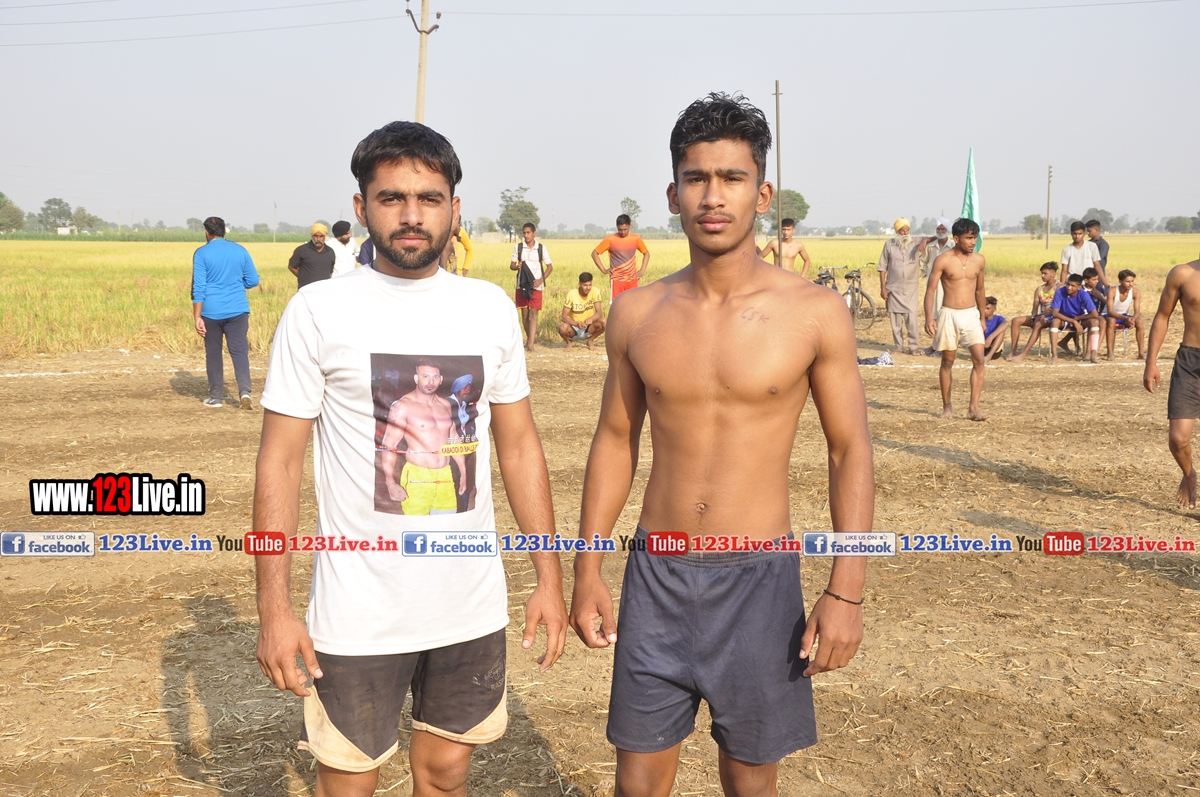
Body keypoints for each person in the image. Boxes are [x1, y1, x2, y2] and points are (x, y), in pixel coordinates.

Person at [568, 93, 873, 797]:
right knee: (637, 781)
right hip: (657, 570)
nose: (713, 196)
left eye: (732, 178)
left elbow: (849, 449)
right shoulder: (637, 312)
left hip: (759, 576)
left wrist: (846, 590)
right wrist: (589, 568)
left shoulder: (813, 312)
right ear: (672, 194)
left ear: (761, 193)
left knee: (750, 779)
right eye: (697, 178)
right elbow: (615, 439)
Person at [254, 121, 567, 797]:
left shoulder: (488, 309)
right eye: (392, 197)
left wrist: (548, 575)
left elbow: (519, 444)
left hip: (469, 604)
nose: (412, 215)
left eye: (429, 198)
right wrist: (275, 610)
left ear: (455, 208)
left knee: (447, 772)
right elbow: (278, 463)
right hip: (359, 610)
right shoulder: (318, 311)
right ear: (362, 205)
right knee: (349, 779)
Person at [380, 359, 468, 515]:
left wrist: (463, 471)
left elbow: (453, 437)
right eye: (425, 376)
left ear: (441, 379)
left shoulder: (445, 405)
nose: (430, 382)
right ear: (416, 378)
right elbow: (389, 445)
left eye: (435, 377)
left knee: (446, 524)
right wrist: (390, 482)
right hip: (417, 476)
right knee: (416, 526)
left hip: (445, 475)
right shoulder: (402, 406)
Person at [1145, 258, 1200, 508]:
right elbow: (1162, 316)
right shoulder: (1182, 274)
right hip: (1190, 361)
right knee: (1178, 439)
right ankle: (1189, 474)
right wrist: (1151, 361)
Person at [191, 216, 260, 409]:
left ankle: (216, 397)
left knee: (213, 353)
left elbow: (199, 287)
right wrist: (237, 284)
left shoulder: (201, 253)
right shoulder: (240, 250)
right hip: (238, 309)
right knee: (239, 352)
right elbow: (253, 280)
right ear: (224, 231)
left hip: (210, 312)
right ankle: (245, 392)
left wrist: (197, 316)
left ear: (207, 232)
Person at [924, 218, 988, 421]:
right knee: (947, 361)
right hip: (948, 314)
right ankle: (947, 407)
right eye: (969, 238)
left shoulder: (979, 260)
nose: (972, 242)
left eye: (974, 238)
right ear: (957, 238)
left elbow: (980, 290)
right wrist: (929, 318)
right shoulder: (943, 260)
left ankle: (973, 408)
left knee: (979, 359)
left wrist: (982, 317)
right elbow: (930, 290)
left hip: (971, 315)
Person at [878, 218, 935, 355]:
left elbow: (937, 237)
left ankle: (913, 347)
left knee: (912, 319)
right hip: (893, 288)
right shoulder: (889, 244)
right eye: (902, 231)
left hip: (911, 289)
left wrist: (925, 241)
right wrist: (883, 288)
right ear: (897, 231)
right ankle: (898, 347)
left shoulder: (916, 241)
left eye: (907, 230)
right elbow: (882, 267)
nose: (905, 233)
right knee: (895, 321)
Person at [509, 223, 553, 351]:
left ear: (534, 233)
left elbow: (550, 267)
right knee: (524, 314)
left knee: (533, 313)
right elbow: (511, 265)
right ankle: (529, 339)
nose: (526, 235)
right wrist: (516, 266)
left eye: (528, 233)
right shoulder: (518, 248)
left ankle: (531, 344)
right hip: (522, 285)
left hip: (536, 286)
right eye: (524, 233)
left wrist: (540, 280)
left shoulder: (541, 248)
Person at [917, 218, 957, 356]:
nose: (940, 231)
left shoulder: (953, 246)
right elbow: (922, 261)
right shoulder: (930, 246)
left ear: (948, 230)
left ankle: (943, 347)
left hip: (948, 285)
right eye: (938, 229)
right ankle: (935, 345)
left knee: (946, 315)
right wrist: (926, 273)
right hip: (933, 285)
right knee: (934, 315)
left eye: (943, 229)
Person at [1007, 262, 1060, 362]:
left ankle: (1023, 354)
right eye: (1042, 273)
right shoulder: (1039, 289)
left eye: (1045, 273)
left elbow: (1061, 307)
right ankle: (1013, 351)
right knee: (1015, 320)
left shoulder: (1059, 287)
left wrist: (1045, 315)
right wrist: (1034, 315)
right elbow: (1035, 307)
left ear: (1053, 274)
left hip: (1053, 316)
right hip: (1041, 315)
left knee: (1038, 324)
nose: (1042, 276)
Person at [592, 214, 650, 300]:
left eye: (625, 229)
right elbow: (594, 253)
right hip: (616, 280)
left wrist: (642, 270)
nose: (622, 232)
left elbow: (646, 254)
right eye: (620, 229)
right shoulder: (610, 239)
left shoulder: (636, 238)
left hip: (632, 280)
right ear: (617, 226)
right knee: (616, 305)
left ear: (630, 226)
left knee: (633, 304)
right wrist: (604, 270)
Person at [1048, 274, 1101, 365]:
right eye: (1068, 284)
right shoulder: (1060, 292)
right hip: (1063, 318)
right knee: (1054, 322)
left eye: (1073, 286)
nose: (1069, 287)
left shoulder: (1083, 294)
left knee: (1095, 322)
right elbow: (1055, 313)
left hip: (1078, 317)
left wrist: (1078, 318)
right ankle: (1054, 355)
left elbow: (1094, 314)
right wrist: (1073, 321)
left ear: (1079, 287)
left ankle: (1093, 354)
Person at [558, 271, 605, 350]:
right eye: (585, 285)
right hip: (574, 327)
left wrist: (591, 319)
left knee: (605, 322)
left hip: (588, 326)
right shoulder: (572, 294)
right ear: (579, 284)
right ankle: (569, 342)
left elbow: (599, 313)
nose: (588, 288)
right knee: (562, 328)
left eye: (590, 285)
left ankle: (590, 340)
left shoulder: (595, 291)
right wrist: (576, 324)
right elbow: (564, 317)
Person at [1106, 269, 1145, 360]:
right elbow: (1110, 312)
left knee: (1139, 322)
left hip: (1124, 316)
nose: (1131, 284)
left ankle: (1141, 353)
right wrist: (1125, 318)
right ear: (1120, 281)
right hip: (1110, 315)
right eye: (1128, 281)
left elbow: (1137, 312)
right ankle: (1110, 352)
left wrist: (1132, 320)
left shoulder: (1136, 292)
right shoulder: (1112, 291)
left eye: (1132, 281)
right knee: (1112, 321)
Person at [288, 222, 337, 288]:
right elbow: (291, 266)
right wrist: (303, 276)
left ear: (324, 237)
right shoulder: (301, 250)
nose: (318, 239)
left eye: (321, 236)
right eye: (316, 236)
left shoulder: (330, 252)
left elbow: (330, 270)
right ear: (312, 236)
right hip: (306, 289)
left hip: (324, 289)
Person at [1059, 220, 1106, 288]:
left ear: (1084, 233)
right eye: (1075, 234)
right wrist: (1062, 285)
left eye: (1080, 234)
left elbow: (1097, 266)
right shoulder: (1067, 250)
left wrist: (1105, 283)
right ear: (1071, 234)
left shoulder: (1092, 246)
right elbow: (1064, 270)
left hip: (1088, 283)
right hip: (1073, 284)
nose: (1077, 236)